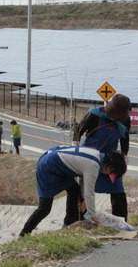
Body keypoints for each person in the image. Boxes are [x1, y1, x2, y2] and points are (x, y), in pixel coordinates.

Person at [19, 146, 132, 236]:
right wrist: (93, 215)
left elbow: (83, 180)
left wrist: (85, 200)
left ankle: (68, 223)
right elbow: (89, 191)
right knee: (45, 207)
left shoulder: (97, 156)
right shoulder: (93, 165)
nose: (109, 175)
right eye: (112, 173)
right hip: (49, 167)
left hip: (60, 166)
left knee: (75, 191)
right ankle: (25, 232)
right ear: (109, 167)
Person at [67, 93, 131, 226]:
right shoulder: (94, 114)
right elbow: (78, 131)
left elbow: (125, 139)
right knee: (83, 191)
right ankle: (78, 221)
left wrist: (124, 156)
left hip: (110, 160)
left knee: (118, 190)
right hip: (88, 157)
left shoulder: (124, 120)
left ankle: (120, 222)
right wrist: (75, 147)